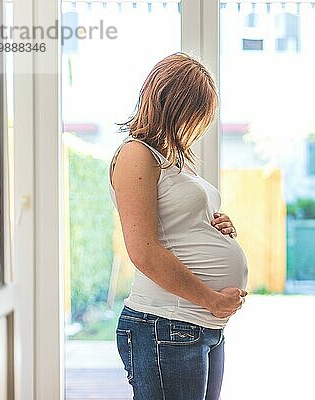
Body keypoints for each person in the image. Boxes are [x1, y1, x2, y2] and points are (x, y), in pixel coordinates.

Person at [108, 52, 249, 400]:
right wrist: (211, 300)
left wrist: (217, 225)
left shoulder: (175, 157)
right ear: (170, 104)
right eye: (195, 111)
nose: (198, 123)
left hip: (197, 324)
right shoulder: (136, 155)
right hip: (165, 323)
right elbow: (143, 250)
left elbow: (179, 226)